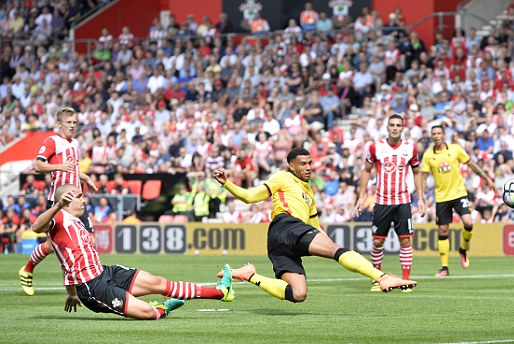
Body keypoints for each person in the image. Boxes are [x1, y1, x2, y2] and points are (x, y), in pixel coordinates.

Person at [213, 148, 416, 303]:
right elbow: (249, 197)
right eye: (303, 164)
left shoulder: (309, 192)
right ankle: (381, 277)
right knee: (336, 251)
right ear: (292, 166)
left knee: (298, 294)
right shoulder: (282, 178)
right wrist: (227, 183)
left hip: (282, 242)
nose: (308, 167)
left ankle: (249, 275)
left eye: (310, 163)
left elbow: (315, 227)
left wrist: (331, 247)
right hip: (285, 225)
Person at [31, 184, 234, 319]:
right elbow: (36, 227)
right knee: (148, 313)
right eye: (78, 197)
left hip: (105, 272)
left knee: (158, 282)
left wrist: (70, 294)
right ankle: (161, 309)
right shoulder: (58, 219)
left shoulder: (77, 222)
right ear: (66, 200)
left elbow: (67, 262)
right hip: (93, 288)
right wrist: (57, 205)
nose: (83, 200)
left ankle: (220, 292)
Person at [19, 107, 98, 296]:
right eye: (69, 122)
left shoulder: (75, 143)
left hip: (76, 201)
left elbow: (74, 169)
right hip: (60, 201)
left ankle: (90, 280)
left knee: (91, 240)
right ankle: (28, 269)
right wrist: (60, 166)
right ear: (59, 123)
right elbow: (37, 165)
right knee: (52, 245)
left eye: (74, 123)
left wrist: (85, 178)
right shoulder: (52, 141)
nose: (72, 126)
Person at [354, 114, 426, 292]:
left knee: (405, 242)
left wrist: (421, 198)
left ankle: (405, 281)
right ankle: (378, 280)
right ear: (387, 127)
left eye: (398, 125)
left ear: (403, 128)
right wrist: (361, 196)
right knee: (378, 243)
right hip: (382, 202)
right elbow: (366, 171)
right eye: (392, 125)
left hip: (403, 202)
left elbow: (417, 173)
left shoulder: (410, 148)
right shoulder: (376, 147)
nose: (395, 128)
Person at [421, 124, 496, 276]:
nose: (436, 136)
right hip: (442, 197)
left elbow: (471, 164)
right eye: (433, 134)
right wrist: (421, 195)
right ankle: (444, 267)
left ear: (443, 135)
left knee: (468, 222)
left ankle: (463, 249)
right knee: (443, 230)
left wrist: (486, 178)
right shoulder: (428, 155)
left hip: (459, 194)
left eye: (438, 133)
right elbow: (423, 176)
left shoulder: (455, 149)